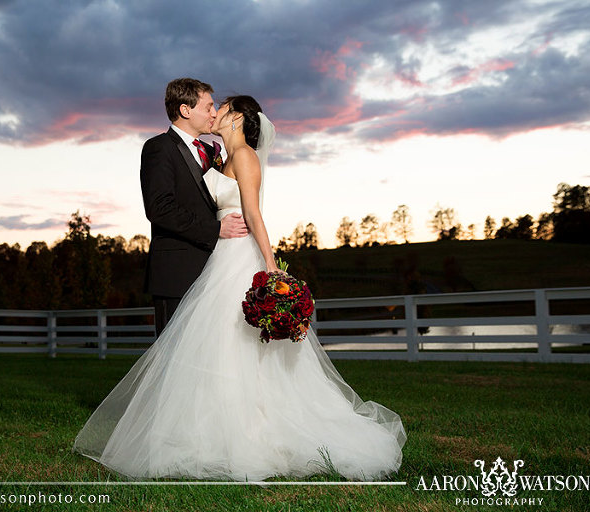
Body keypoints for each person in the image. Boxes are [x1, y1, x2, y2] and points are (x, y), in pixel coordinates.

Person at [73, 94, 406, 481]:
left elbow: (252, 213)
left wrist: (269, 266)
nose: (214, 113)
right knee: (217, 346)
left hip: (239, 258)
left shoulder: (245, 156)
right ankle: (210, 429)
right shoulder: (221, 157)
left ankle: (255, 434)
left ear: (237, 118)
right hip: (217, 259)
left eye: (222, 107)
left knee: (240, 348)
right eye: (210, 106)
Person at [140, 78, 249, 336]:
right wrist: (216, 229)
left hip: (216, 272)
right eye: (209, 106)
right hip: (177, 274)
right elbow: (159, 208)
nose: (214, 113)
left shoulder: (213, 152)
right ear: (185, 110)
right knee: (174, 360)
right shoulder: (158, 148)